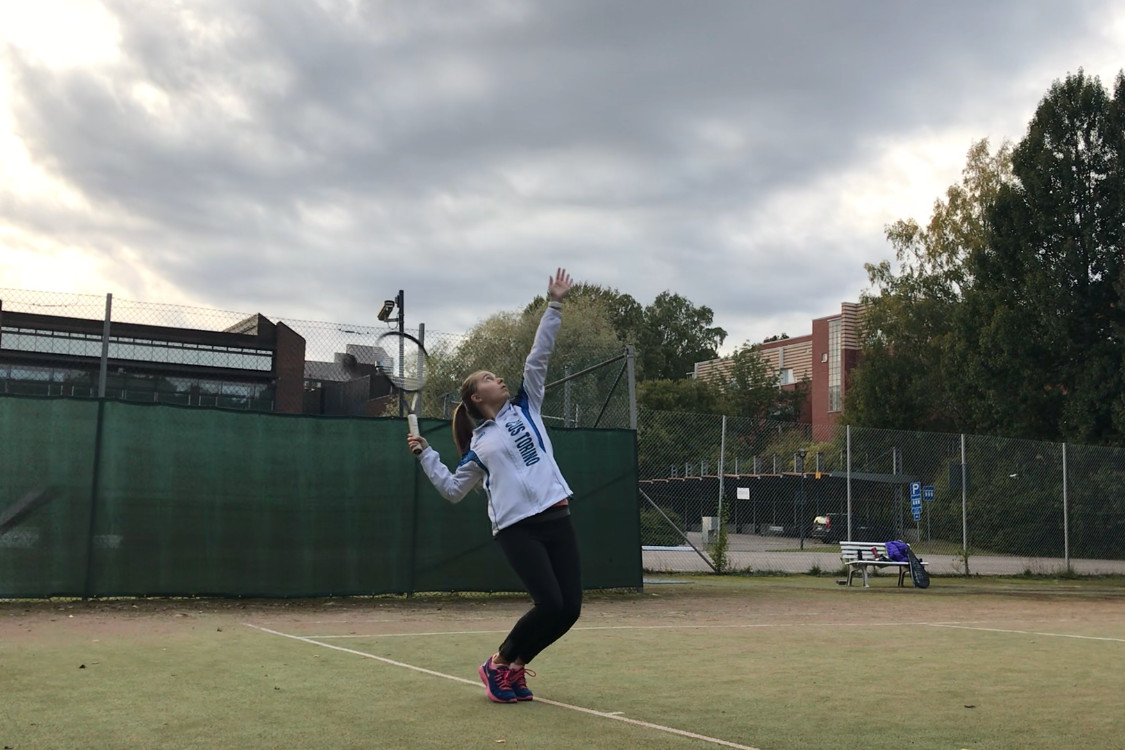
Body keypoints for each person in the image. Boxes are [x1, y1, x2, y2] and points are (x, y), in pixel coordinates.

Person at [406, 268, 581, 704]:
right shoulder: (478, 447)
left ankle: (515, 668)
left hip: (558, 517)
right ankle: (496, 665)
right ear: (475, 399)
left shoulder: (527, 405)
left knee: (570, 609)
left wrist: (554, 304)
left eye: (496, 376)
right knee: (549, 604)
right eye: (487, 379)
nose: (498, 379)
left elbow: (537, 356)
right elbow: (451, 489)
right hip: (517, 529)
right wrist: (427, 454)